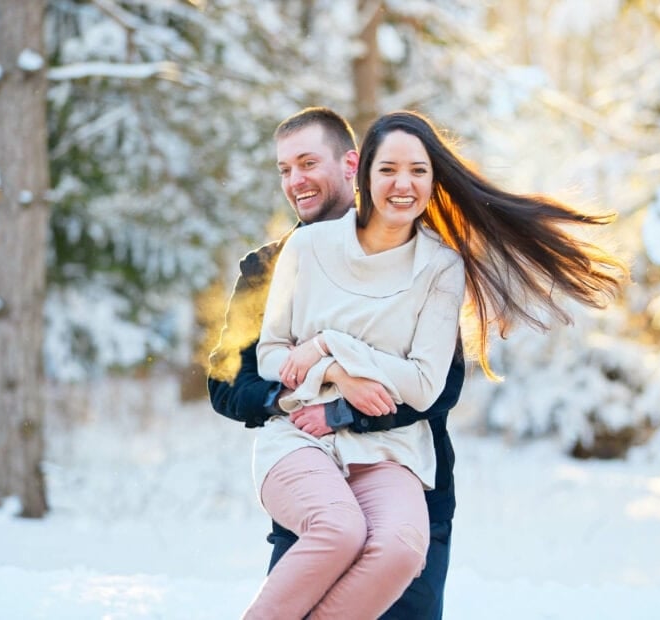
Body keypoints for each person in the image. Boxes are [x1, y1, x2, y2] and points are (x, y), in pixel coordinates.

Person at [242, 110, 627, 618]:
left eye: (418, 171)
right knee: (338, 531)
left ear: (432, 180)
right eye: (388, 170)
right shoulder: (307, 248)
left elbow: (425, 385)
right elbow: (270, 358)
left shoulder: (441, 266)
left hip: (392, 451)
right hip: (300, 440)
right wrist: (335, 375)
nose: (403, 184)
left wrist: (333, 345)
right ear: (363, 175)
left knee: (401, 549)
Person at [207, 107, 464, 619]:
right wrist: (299, 394)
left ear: (353, 166)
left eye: (307, 163)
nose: (295, 180)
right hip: (310, 466)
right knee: (328, 542)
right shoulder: (271, 266)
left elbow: (439, 386)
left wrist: (341, 403)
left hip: (401, 472)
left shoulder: (430, 259)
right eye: (284, 169)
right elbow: (228, 380)